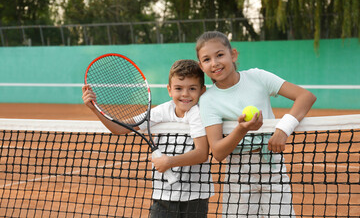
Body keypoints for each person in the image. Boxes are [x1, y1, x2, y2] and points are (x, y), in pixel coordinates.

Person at [196, 31, 316, 217]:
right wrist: (241, 130)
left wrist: (283, 130)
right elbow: (218, 152)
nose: (215, 63)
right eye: (207, 59)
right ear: (201, 66)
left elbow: (305, 96)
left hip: (272, 165)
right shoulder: (208, 100)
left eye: (220, 55)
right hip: (238, 171)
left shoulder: (258, 77)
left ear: (233, 54)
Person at [82, 59, 214, 218]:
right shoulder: (163, 110)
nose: (185, 94)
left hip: (195, 197)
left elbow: (202, 153)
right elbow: (120, 128)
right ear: (170, 90)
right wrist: (95, 108)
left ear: (202, 90)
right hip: (163, 195)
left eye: (192, 88)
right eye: (179, 88)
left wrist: (169, 162)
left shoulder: (198, 114)